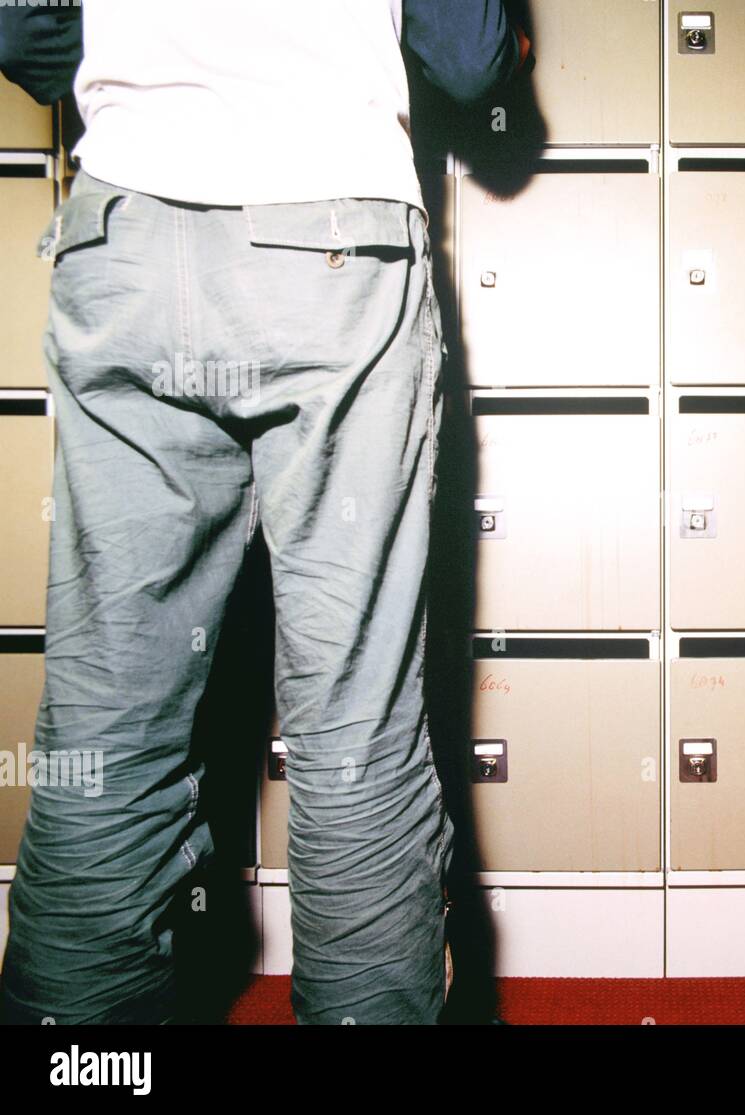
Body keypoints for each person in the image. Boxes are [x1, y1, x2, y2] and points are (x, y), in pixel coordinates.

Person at [0, 0, 530, 1026]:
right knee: (353, 722)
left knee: (107, 720)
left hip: (127, 229)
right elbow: (467, 60)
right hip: (328, 228)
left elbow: (23, 35)